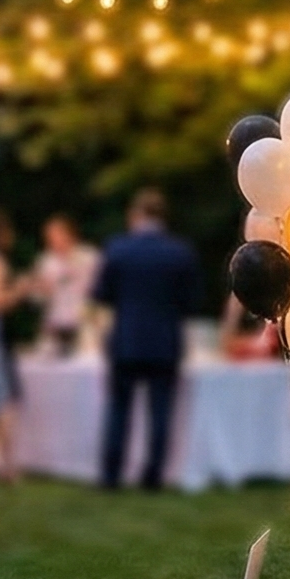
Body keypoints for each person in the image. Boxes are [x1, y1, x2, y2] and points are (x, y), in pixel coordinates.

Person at [92, 188, 200, 492]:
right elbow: (190, 303)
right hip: (165, 341)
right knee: (160, 412)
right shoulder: (180, 252)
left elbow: (101, 295)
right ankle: (152, 477)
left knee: (118, 410)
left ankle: (111, 476)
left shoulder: (118, 249)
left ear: (136, 215)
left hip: (126, 339)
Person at [29, 214, 99, 356]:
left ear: (70, 235)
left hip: (84, 325)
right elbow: (35, 299)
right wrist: (40, 291)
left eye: (56, 235)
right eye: (48, 236)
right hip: (55, 326)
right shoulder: (45, 261)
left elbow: (102, 290)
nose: (51, 240)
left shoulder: (90, 257)